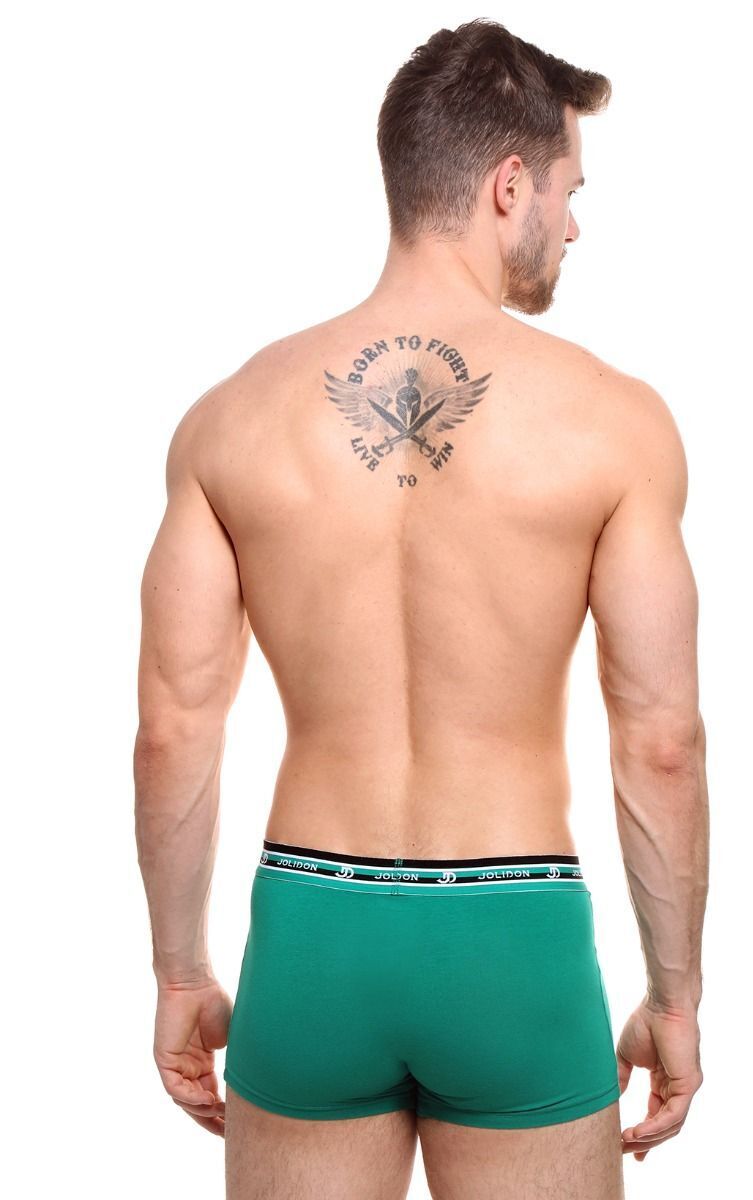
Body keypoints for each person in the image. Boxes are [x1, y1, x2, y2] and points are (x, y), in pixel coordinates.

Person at [134, 18, 708, 1200]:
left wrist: (180, 973)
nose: (572, 225)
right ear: (509, 186)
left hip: (312, 929)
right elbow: (659, 740)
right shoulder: (612, 424)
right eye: (569, 191)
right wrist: (674, 996)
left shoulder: (229, 421)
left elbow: (173, 729)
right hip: (511, 933)